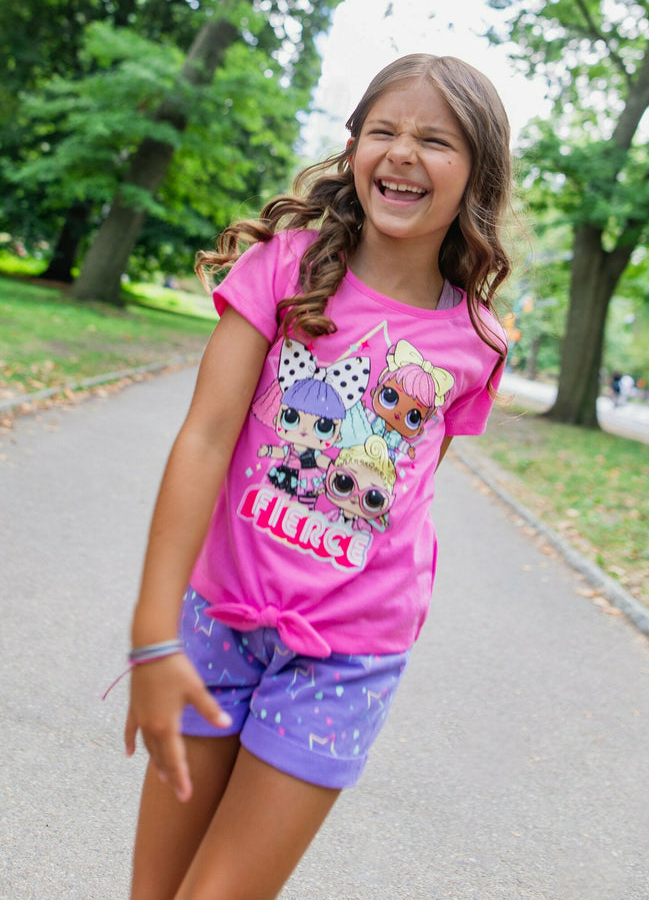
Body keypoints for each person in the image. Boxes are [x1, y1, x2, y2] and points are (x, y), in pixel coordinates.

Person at [124, 52, 513, 900]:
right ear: (354, 150)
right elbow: (205, 438)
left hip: (346, 654)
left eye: (434, 140)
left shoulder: (477, 342)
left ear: (476, 174)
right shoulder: (288, 268)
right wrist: (154, 634)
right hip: (216, 617)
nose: (404, 151)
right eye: (385, 130)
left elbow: (404, 492)